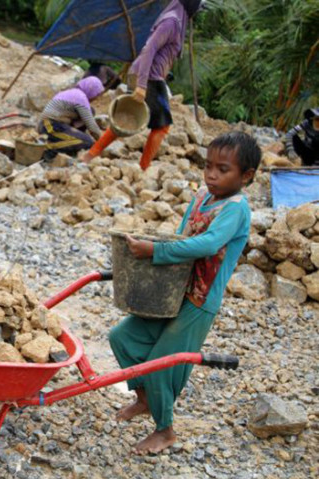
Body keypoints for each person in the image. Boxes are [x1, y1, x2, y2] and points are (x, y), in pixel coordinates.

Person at [108, 131, 261, 455]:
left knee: (164, 362)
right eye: (208, 166)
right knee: (123, 337)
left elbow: (207, 244)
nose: (211, 174)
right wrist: (153, 258)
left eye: (223, 169)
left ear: (246, 176)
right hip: (174, 291)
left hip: (199, 302)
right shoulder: (202, 197)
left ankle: (165, 431)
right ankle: (146, 399)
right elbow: (181, 236)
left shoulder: (235, 209)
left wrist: (154, 251)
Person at [82, 0, 203, 170]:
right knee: (162, 126)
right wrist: (141, 85)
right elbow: (149, 49)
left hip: (141, 73)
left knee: (129, 116)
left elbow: (161, 53)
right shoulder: (172, 21)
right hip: (148, 78)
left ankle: (90, 155)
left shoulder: (175, 19)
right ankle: (143, 168)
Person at [38, 76, 105, 159]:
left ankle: (72, 139)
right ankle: (47, 149)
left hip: (53, 125)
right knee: (87, 141)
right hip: (50, 126)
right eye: (96, 94)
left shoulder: (74, 93)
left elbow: (88, 117)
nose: (96, 98)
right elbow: (91, 125)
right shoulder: (80, 97)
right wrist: (103, 142)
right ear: (91, 91)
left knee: (91, 111)